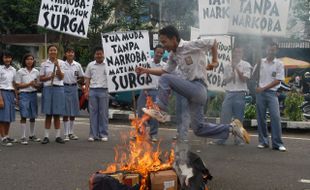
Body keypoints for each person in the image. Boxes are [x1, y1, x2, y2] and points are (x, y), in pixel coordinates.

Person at [136, 25, 250, 144]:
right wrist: (145, 70)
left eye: (165, 42)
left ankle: (160, 109)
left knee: (165, 79)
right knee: (198, 129)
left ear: (174, 39)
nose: (164, 46)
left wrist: (215, 61)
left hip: (198, 87)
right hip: (191, 93)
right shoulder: (173, 55)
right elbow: (165, 71)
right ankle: (232, 128)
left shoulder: (189, 45)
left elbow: (213, 42)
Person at [253, 42, 286, 151]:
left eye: (273, 50)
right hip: (260, 94)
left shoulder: (279, 63)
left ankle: (277, 143)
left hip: (272, 93)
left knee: (275, 117)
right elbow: (253, 76)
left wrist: (263, 88)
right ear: (266, 50)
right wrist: (257, 64)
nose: (271, 51)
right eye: (269, 49)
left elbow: (278, 80)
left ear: (276, 51)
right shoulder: (260, 61)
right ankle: (263, 142)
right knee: (261, 118)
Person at [217, 46, 252, 145]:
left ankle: (239, 139)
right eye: (236, 52)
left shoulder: (246, 65)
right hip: (229, 92)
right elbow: (224, 80)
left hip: (240, 93)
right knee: (224, 116)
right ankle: (222, 138)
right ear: (233, 53)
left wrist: (236, 67)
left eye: (239, 52)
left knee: (238, 118)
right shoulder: (227, 65)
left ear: (242, 53)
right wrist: (230, 76)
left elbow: (244, 79)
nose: (237, 54)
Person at [136, 45, 166, 142]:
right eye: (158, 52)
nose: (159, 54)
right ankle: (140, 133)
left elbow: (166, 80)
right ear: (154, 51)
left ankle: (153, 134)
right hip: (144, 90)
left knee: (154, 114)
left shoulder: (164, 66)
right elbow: (139, 75)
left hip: (157, 92)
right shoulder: (146, 63)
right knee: (141, 112)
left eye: (161, 53)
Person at [39, 44, 66, 144]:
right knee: (48, 113)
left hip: (58, 88)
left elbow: (61, 77)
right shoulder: (43, 64)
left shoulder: (62, 63)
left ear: (57, 52)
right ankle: (46, 136)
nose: (53, 52)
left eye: (54, 50)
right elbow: (41, 78)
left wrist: (57, 65)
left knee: (57, 114)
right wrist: (49, 77)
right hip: (48, 88)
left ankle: (58, 136)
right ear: (48, 52)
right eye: (51, 50)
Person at [15, 53, 41, 145]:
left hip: (33, 94)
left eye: (31, 59)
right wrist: (29, 84)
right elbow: (17, 85)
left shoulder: (36, 72)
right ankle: (23, 137)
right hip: (24, 95)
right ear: (24, 61)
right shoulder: (20, 71)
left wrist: (36, 85)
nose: (29, 61)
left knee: (33, 115)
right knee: (24, 116)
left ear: (33, 61)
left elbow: (38, 85)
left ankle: (32, 135)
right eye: (27, 59)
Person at [84, 47, 109, 142]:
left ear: (103, 54)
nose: (99, 55)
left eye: (100, 54)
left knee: (103, 114)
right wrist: (86, 91)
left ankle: (103, 134)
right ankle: (93, 134)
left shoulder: (108, 64)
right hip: (93, 91)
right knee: (93, 113)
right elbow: (87, 79)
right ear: (94, 55)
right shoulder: (90, 65)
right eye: (97, 54)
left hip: (104, 90)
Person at [62, 47, 84, 142]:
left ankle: (71, 132)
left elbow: (82, 77)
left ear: (74, 54)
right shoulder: (62, 64)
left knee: (73, 110)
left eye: (72, 52)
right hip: (64, 87)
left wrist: (78, 80)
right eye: (68, 52)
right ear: (65, 54)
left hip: (74, 88)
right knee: (66, 111)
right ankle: (66, 133)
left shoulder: (77, 65)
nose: (70, 54)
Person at [0, 51, 18, 146]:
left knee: (9, 117)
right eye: (5, 57)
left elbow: (14, 84)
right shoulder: (0, 69)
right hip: (2, 93)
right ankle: (2, 137)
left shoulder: (13, 70)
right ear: (2, 58)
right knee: (2, 117)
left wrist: (16, 97)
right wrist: (0, 99)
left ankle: (6, 136)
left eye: (9, 57)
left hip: (11, 94)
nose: (7, 59)